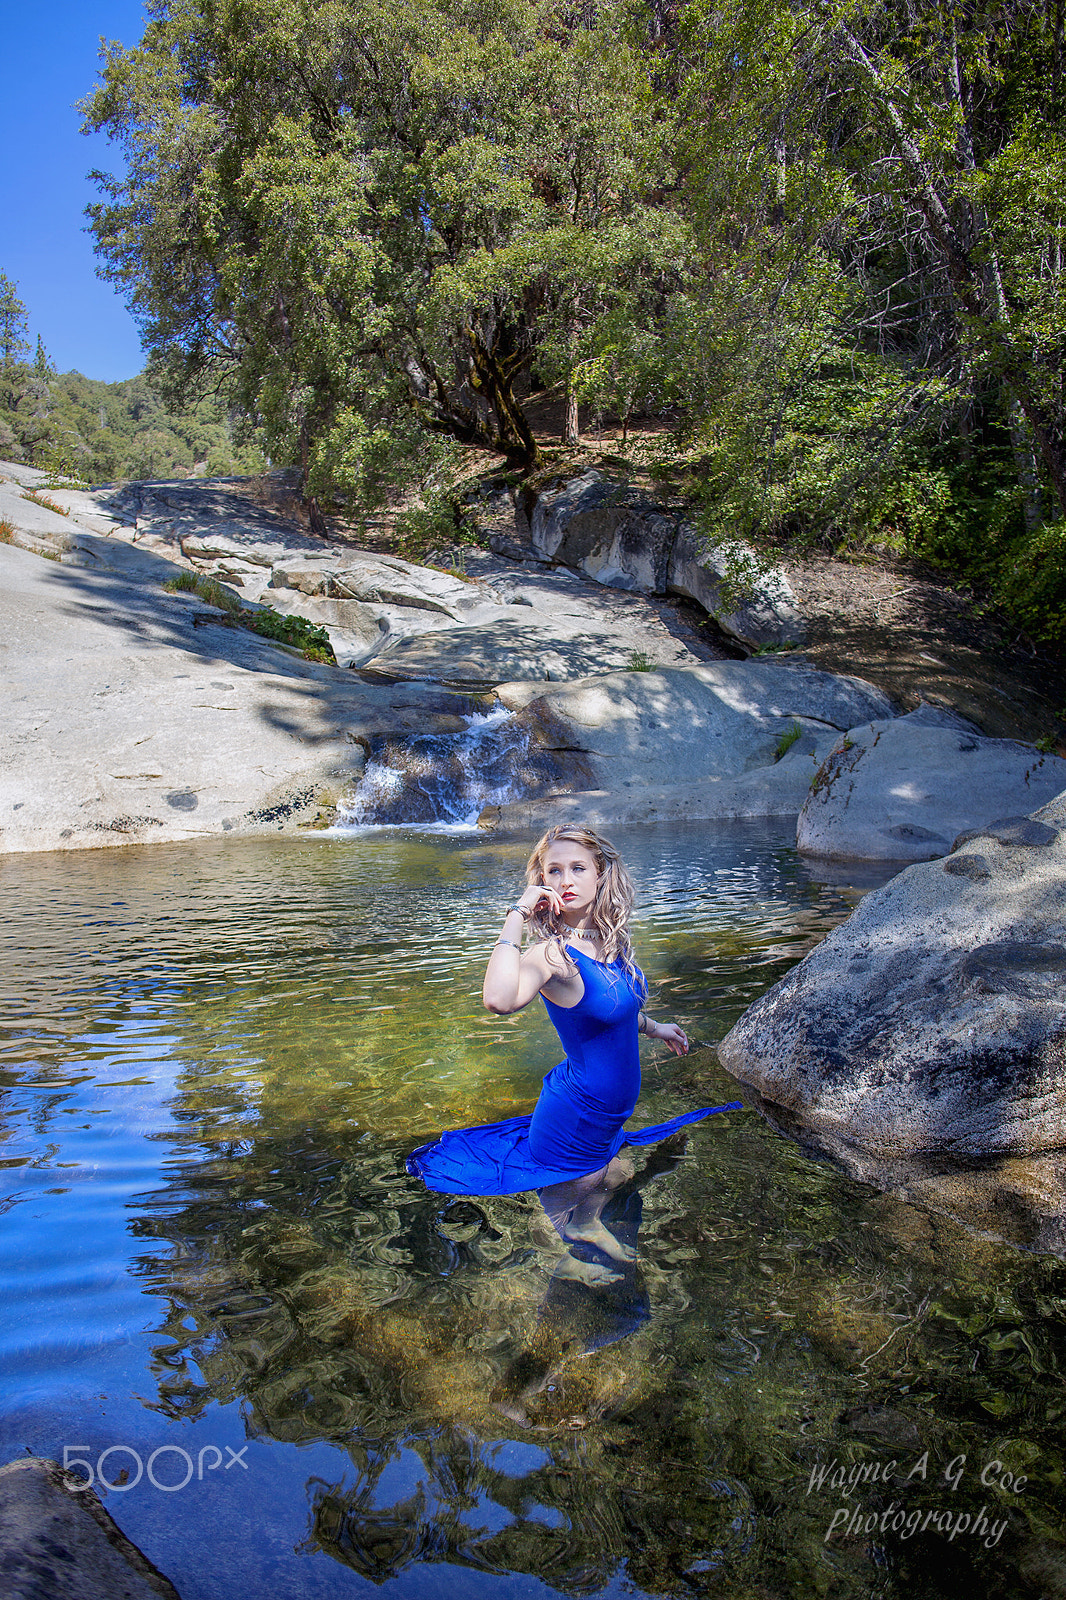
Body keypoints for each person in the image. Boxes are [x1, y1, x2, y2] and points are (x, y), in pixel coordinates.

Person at [406, 825, 741, 1269]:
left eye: (577, 868)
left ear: (601, 873)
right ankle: (558, 1261)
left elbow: (609, 1010)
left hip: (606, 1115)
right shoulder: (553, 956)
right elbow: (498, 1000)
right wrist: (517, 915)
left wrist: (654, 1027)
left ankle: (585, 1225)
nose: (566, 880)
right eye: (554, 870)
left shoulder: (610, 940)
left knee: (611, 1174)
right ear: (541, 883)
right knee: (573, 1187)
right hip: (578, 1113)